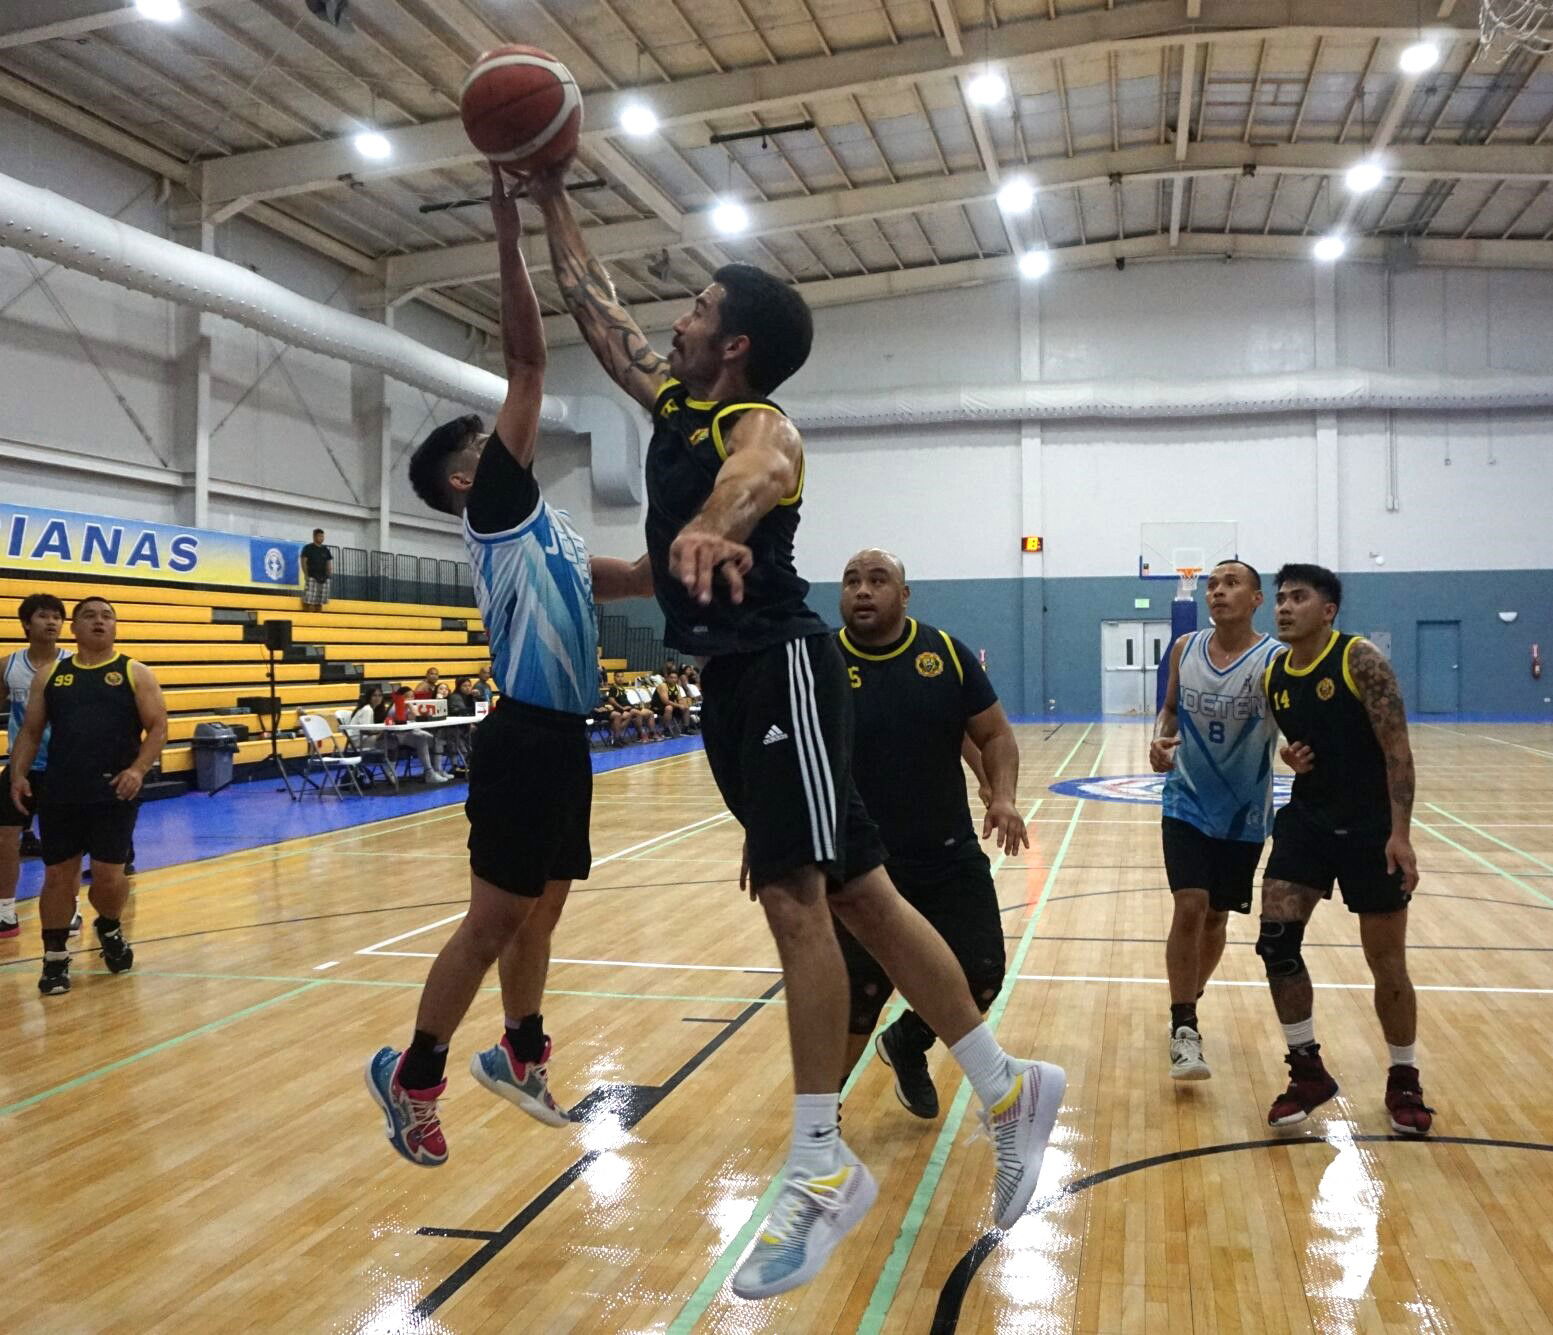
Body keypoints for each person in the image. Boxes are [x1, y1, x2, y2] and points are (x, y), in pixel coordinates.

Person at [531, 162, 1064, 1301]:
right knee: (863, 897)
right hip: (731, 686)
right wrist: (543, 191)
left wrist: (713, 523)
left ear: (733, 344)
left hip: (779, 667)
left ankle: (820, 1164)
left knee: (796, 903)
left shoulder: (754, 419)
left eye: (695, 309)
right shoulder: (674, 405)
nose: (673, 322)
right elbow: (597, 312)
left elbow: (758, 473)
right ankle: (1008, 1087)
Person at [365, 168, 652, 1167]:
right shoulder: (492, 503)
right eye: (487, 442)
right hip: (523, 734)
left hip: (564, 736)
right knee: (494, 919)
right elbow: (527, 363)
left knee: (543, 908)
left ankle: (519, 1053)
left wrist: (706, 536)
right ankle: (413, 1076)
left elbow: (628, 578)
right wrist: (507, 230)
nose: (508, 438)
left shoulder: (545, 529)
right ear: (465, 475)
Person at [829, 548, 1028, 1120]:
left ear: (904, 593)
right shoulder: (821, 663)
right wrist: (766, 824)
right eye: (851, 580)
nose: (862, 590)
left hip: (946, 854)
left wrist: (1003, 794)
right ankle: (822, 1114)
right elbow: (787, 752)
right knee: (858, 996)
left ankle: (907, 1041)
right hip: (859, 863)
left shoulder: (944, 654)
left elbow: (994, 734)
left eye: (877, 580)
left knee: (982, 974)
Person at [1257, 563, 1432, 1135]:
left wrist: (1400, 833)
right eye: (1281, 598)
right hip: (1308, 820)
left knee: (1386, 962)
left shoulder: (1359, 660)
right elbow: (1297, 743)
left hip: (1369, 828)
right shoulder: (1275, 673)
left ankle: (1404, 1077)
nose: (1284, 607)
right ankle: (1307, 1070)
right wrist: (1290, 757)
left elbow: (1397, 750)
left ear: (1328, 610)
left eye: (1298, 598)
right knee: (1276, 941)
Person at [1148, 561, 1289, 1081]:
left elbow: (1294, 724)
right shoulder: (1185, 649)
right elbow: (1169, 709)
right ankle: (1184, 1025)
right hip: (1185, 799)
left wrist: (1298, 751)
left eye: (1231, 584)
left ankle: (1192, 990)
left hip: (1243, 811)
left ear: (1256, 598)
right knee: (1190, 905)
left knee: (1215, 918)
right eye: (1212, 585)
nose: (1218, 592)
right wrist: (1159, 740)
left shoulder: (1275, 660)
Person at [9, 597, 167, 996]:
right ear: (74, 628)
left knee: (108, 877)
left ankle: (109, 926)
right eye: (89, 616)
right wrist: (18, 774)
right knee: (57, 876)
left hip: (114, 790)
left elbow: (158, 727)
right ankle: (55, 958)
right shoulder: (51, 675)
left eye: (107, 616)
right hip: (62, 789)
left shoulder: (134, 671)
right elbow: (30, 731)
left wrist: (137, 770)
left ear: (115, 627)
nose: (99, 621)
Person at [1, 592, 72, 938]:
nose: (52, 622)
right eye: (44, 616)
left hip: (66, 767)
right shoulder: (8, 666)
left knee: (65, 843)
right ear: (26, 623)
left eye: (57, 616)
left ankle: (69, 908)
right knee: (4, 836)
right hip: (22, 767)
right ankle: (5, 912)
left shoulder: (75, 664)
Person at [301, 528, 333, 612]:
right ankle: (307, 617)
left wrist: (329, 574)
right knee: (309, 600)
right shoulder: (308, 548)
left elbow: (328, 562)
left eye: (322, 536)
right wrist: (306, 575)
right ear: (314, 537)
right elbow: (303, 561)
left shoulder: (325, 549)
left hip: (324, 578)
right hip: (312, 576)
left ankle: (318, 617)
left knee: (320, 601)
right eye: (319, 536)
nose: (321, 538)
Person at [654, 670, 694, 735]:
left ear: (677, 679)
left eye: (675, 678)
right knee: (669, 708)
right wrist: (679, 706)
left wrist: (682, 704)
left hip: (671, 705)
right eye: (671, 677)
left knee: (686, 707)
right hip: (657, 707)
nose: (673, 679)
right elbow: (665, 701)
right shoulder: (663, 686)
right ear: (667, 678)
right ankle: (666, 730)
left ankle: (685, 729)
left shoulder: (676, 686)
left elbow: (679, 698)